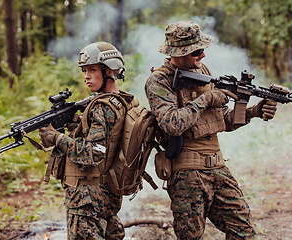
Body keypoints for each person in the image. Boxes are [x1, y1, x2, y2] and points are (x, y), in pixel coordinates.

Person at [145, 21, 277, 239]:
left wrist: (254, 111)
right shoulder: (159, 80)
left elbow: (222, 120)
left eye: (203, 49)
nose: (203, 55)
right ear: (179, 52)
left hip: (217, 166)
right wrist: (205, 99)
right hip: (187, 173)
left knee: (244, 231)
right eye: (197, 51)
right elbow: (171, 123)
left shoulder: (202, 71)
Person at [38, 42, 137, 239]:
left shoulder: (102, 107)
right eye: (84, 70)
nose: (86, 76)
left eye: (92, 69)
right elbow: (107, 141)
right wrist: (77, 125)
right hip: (106, 193)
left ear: (110, 70)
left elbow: (92, 154)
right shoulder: (123, 100)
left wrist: (56, 137)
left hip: (86, 199)